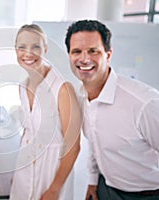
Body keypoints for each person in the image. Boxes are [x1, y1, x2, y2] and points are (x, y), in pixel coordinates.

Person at [65, 19, 159, 200]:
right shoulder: (81, 95)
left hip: (148, 194)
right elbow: (95, 140)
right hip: (106, 189)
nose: (84, 59)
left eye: (93, 51)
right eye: (76, 51)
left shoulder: (143, 102)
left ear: (108, 55)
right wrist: (92, 181)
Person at [9, 24, 81, 200]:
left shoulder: (62, 89)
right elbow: (27, 133)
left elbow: (73, 146)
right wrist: (16, 173)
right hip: (23, 175)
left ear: (45, 49)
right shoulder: (22, 87)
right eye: (22, 47)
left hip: (52, 174)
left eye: (35, 47)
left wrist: (54, 189)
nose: (28, 53)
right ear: (15, 50)